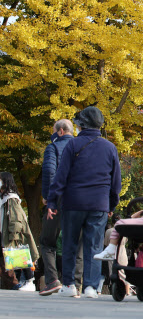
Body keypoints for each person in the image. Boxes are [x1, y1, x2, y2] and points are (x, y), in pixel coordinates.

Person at [46, 106, 121, 299]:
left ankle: (69, 284)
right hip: (99, 203)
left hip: (73, 202)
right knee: (94, 246)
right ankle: (90, 286)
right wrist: (111, 205)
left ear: (81, 126)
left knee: (70, 243)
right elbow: (115, 182)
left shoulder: (72, 145)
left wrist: (52, 202)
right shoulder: (110, 147)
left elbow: (60, 177)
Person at [39, 120, 81, 295]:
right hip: (79, 199)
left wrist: (50, 198)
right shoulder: (82, 147)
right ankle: (76, 284)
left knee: (47, 240)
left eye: (54, 131)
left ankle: (52, 280)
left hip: (60, 199)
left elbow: (50, 171)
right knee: (77, 243)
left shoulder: (53, 147)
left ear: (61, 131)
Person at [0, 173, 39, 291]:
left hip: (10, 234)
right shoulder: (4, 198)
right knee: (7, 260)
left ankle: (29, 281)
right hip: (5, 233)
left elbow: (15, 218)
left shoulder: (10, 198)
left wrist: (14, 234)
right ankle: (14, 284)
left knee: (19, 255)